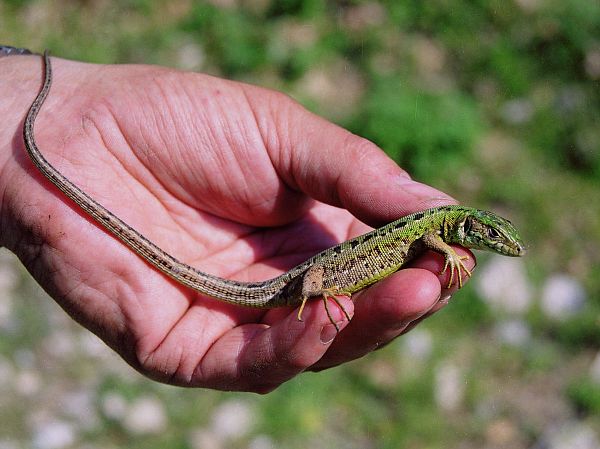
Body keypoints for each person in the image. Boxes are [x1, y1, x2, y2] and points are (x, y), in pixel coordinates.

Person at [0, 49, 474, 392]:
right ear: (462, 228)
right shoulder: (432, 228)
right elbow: (421, 235)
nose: (494, 244)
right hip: (302, 283)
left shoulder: (433, 233)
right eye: (486, 235)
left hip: (293, 282)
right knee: (323, 297)